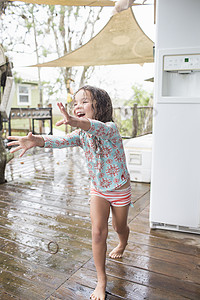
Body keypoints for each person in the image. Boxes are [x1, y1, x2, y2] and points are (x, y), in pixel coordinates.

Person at [7, 85, 132, 300]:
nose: (77, 106)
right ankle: (101, 280)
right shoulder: (81, 135)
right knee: (98, 232)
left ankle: (122, 242)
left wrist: (76, 122)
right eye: (75, 104)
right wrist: (37, 140)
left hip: (119, 188)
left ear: (99, 105)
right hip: (98, 190)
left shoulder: (110, 128)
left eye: (84, 101)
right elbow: (60, 141)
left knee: (119, 226)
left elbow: (93, 126)